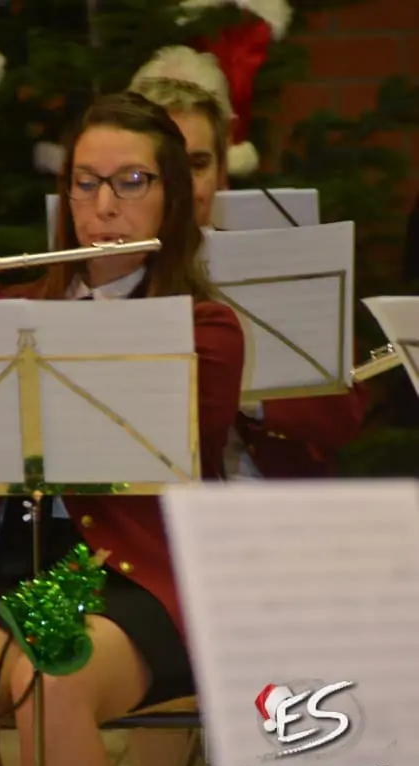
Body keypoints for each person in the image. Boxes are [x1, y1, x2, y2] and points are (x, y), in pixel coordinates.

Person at [0, 91, 244, 766]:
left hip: (133, 576)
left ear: (171, 199)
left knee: (51, 674)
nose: (104, 206)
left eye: (131, 182)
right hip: (19, 568)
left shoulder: (204, 329)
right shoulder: (10, 314)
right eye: (86, 183)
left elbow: (120, 456)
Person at [130, 46, 370, 480]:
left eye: (198, 164)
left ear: (222, 172)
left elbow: (344, 415)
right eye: (164, 166)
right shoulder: (97, 277)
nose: (184, 185)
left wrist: (241, 390)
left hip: (266, 500)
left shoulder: (278, 267)